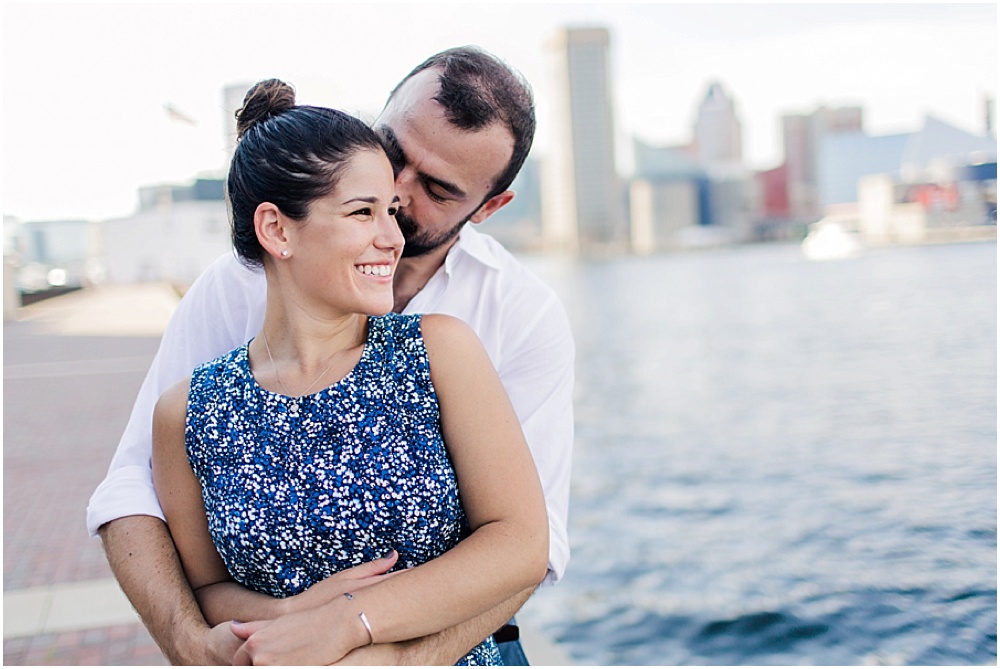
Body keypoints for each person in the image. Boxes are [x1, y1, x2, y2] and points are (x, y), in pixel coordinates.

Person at [87, 46, 575, 665]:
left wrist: (375, 646)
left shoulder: (513, 317)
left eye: (436, 189)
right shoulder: (231, 293)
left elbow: (531, 544)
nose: (396, 191)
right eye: (392, 152)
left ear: (488, 208)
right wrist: (194, 643)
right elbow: (135, 485)